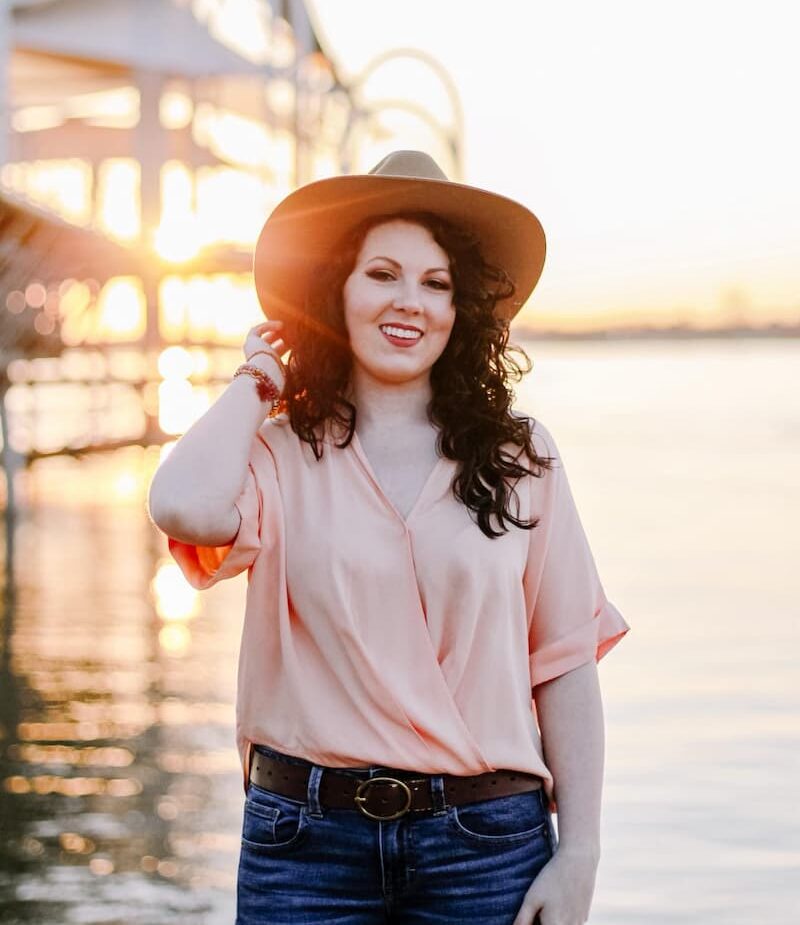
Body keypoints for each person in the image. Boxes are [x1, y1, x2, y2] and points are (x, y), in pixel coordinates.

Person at [147, 150, 630, 925]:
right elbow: (184, 507)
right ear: (335, 290)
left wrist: (581, 852)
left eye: (436, 283)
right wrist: (260, 381)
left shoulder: (522, 456)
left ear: (460, 308)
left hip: (486, 844)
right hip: (303, 843)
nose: (410, 301)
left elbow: (565, 665)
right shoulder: (276, 453)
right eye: (382, 274)